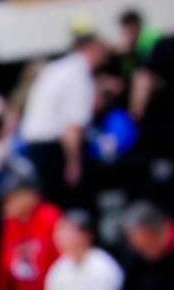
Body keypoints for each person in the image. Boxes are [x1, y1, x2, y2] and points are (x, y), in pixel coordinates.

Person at [17, 29, 110, 200]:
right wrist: (73, 163)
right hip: (52, 150)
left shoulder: (57, 68)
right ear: (90, 48)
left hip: (35, 147)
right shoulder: (79, 75)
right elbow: (73, 125)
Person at [0, 164, 61, 290]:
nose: (6, 205)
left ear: (31, 195)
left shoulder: (50, 217)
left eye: (11, 198)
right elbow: (3, 265)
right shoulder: (10, 224)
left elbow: (62, 259)